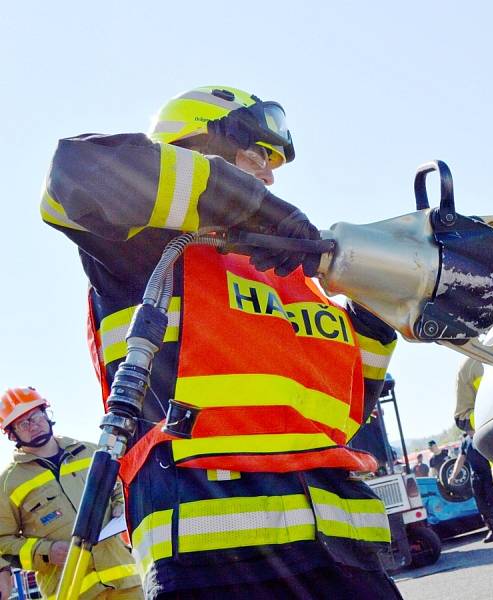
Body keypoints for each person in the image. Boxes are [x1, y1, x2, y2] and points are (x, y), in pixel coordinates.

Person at [41, 86, 401, 599]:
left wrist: (381, 315)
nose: (270, 177)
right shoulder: (144, 252)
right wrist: (251, 206)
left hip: (345, 557)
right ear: (193, 145)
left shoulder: (294, 282)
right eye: (256, 154)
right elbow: (75, 171)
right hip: (214, 562)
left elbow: (345, 411)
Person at [0, 387, 142, 599]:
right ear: (12, 434)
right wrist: (46, 550)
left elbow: (120, 488)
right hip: (71, 592)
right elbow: (3, 543)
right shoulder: (8, 484)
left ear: (47, 415)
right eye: (23, 423)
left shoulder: (93, 453)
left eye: (36, 415)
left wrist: (120, 505)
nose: (34, 425)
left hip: (126, 583)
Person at [448, 426, 493, 543]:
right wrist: (453, 475)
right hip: (476, 476)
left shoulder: (482, 435)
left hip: (489, 474)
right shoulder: (465, 441)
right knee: (481, 504)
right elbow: (460, 459)